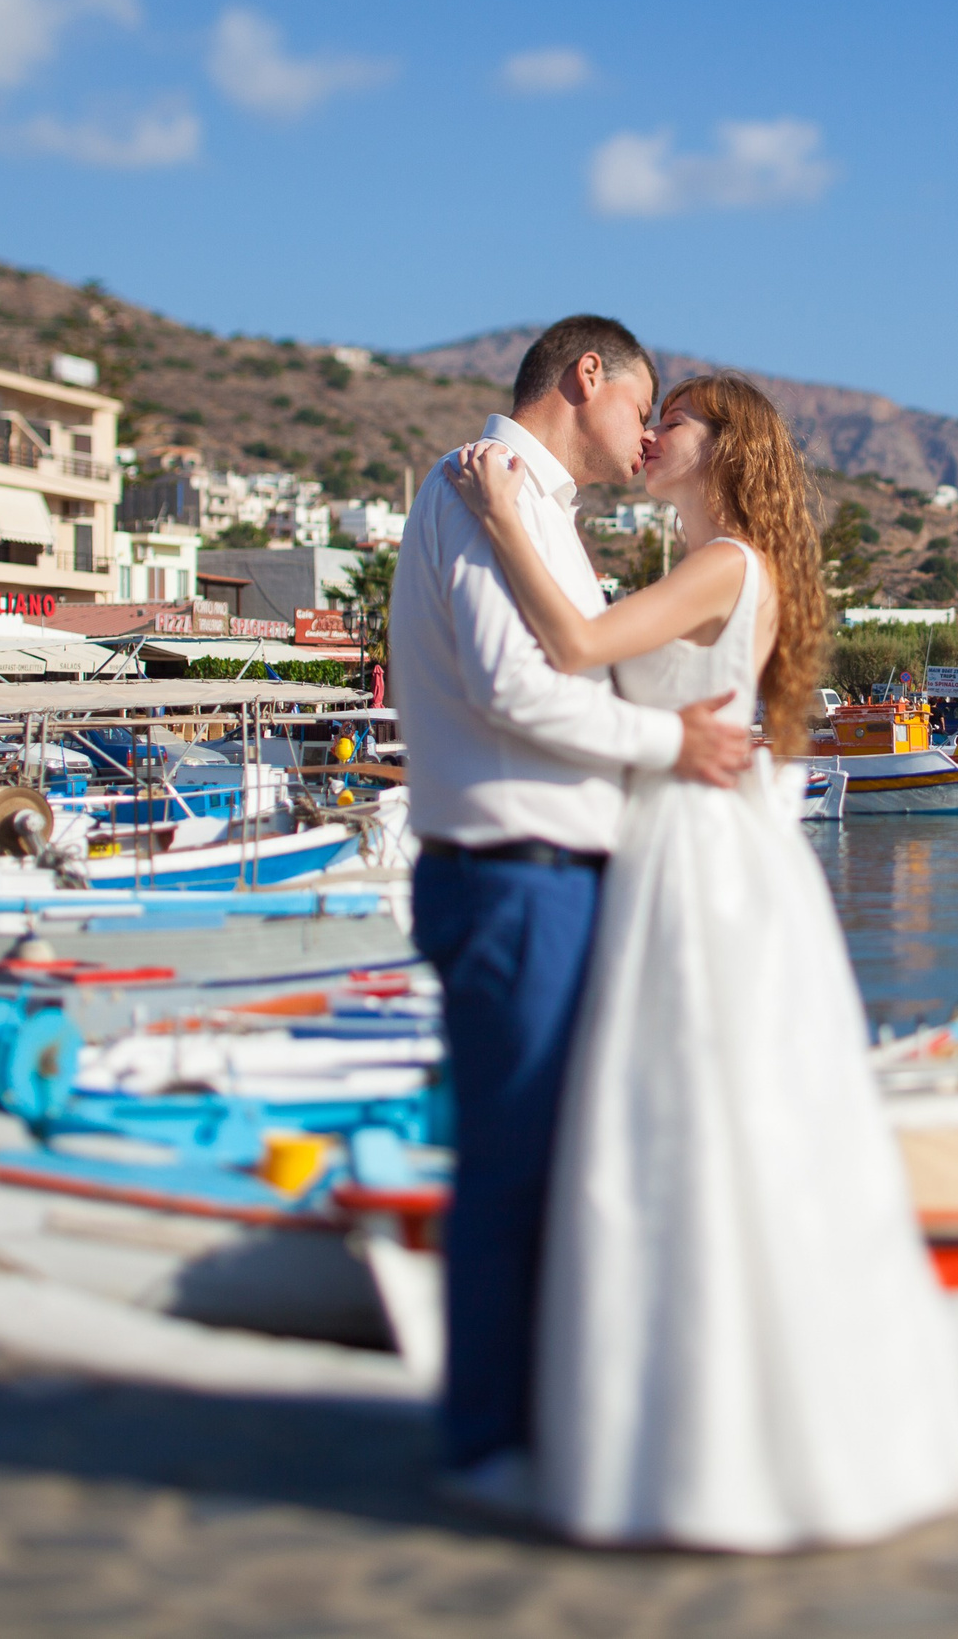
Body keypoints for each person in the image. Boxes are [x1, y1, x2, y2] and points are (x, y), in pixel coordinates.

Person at [449, 370, 958, 1551]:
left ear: (723, 446)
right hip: (692, 844)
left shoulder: (728, 565)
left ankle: (687, 1449)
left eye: (673, 420)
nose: (651, 434)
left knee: (686, 1119)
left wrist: (499, 518)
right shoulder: (720, 567)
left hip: (692, 859)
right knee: (700, 1124)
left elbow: (580, 642)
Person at [388, 316, 754, 1504]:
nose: (647, 434)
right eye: (638, 404)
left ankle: (541, 1426)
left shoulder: (528, 506)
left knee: (558, 1164)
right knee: (514, 1167)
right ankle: (491, 1451)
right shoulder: (482, 489)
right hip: (514, 871)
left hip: (552, 872)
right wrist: (669, 741)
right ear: (584, 376)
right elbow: (510, 691)